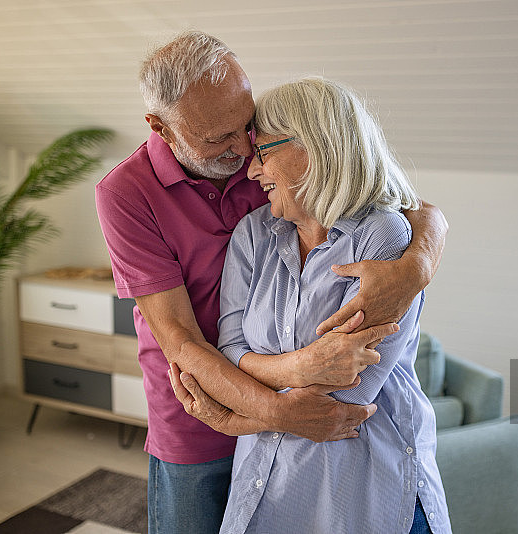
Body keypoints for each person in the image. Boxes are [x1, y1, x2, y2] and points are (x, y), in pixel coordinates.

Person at [96, 31, 447, 533]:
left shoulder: (272, 164)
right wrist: (267, 413)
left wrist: (420, 259)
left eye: (247, 128)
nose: (242, 151)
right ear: (161, 127)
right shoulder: (126, 194)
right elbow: (182, 340)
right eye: (219, 138)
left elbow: (388, 199)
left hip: (305, 434)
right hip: (197, 412)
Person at [174, 77, 451, 533]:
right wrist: (298, 370)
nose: (251, 171)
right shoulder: (253, 234)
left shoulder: (384, 236)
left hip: (359, 486)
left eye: (263, 152)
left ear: (315, 145)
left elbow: (343, 394)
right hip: (264, 479)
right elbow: (230, 349)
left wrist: (230, 418)